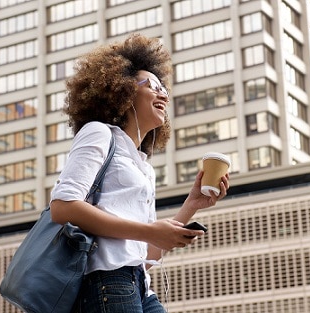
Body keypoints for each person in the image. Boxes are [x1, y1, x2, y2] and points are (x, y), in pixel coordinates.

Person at [49, 33, 230, 313]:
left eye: (164, 89)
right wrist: (149, 231)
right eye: (152, 85)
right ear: (122, 90)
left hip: (140, 285)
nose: (162, 95)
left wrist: (192, 204)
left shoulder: (144, 166)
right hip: (107, 281)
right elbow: (62, 206)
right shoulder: (99, 133)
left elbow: (147, 255)